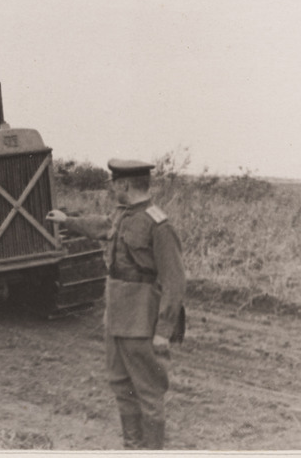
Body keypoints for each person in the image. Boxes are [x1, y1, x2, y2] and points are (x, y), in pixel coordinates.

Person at [46, 159, 186, 450]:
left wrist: (163, 330)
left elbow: (174, 281)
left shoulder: (158, 225)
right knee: (121, 386)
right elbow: (102, 226)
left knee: (148, 393)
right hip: (117, 318)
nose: (111, 188)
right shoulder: (123, 215)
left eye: (114, 183)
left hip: (142, 320)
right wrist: (67, 221)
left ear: (124, 185)